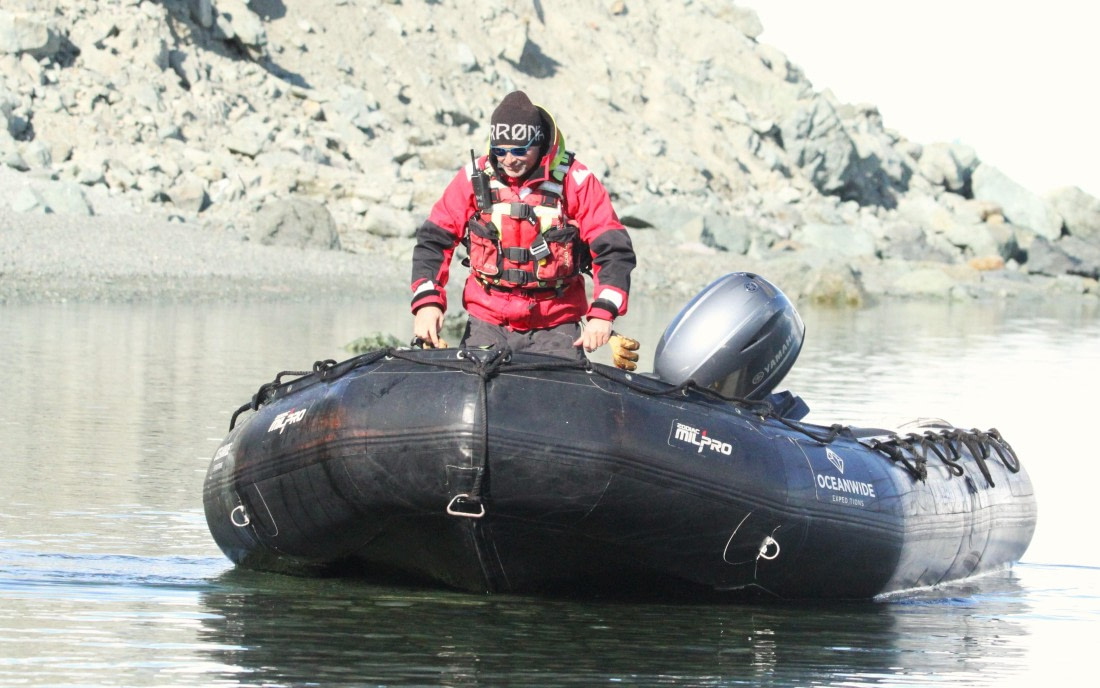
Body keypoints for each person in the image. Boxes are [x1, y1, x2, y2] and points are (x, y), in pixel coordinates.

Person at [410, 90, 636, 361]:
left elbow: (613, 250)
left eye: (519, 150)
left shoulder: (576, 181)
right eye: (500, 151)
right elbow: (433, 241)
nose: (509, 160)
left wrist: (603, 313)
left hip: (556, 329)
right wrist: (427, 303)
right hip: (486, 325)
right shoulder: (475, 178)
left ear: (539, 144)